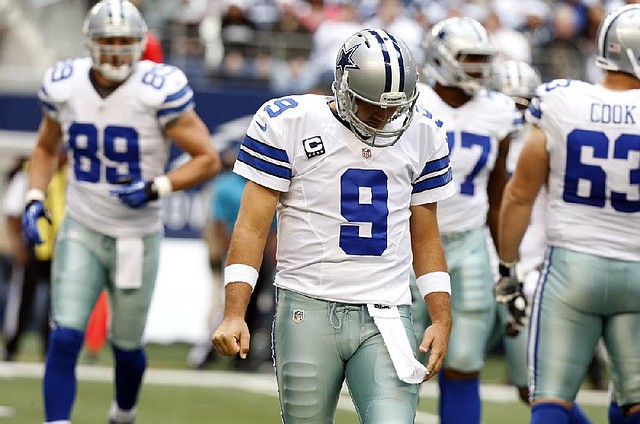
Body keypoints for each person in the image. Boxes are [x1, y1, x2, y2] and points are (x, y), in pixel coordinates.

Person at [212, 28, 455, 423]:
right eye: (370, 104)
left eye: (393, 106)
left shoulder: (424, 133)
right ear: (342, 86)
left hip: (387, 310)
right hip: (307, 306)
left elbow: (426, 234)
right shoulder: (289, 122)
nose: (383, 115)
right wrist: (234, 312)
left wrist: (441, 317)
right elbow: (252, 227)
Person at [21, 1, 220, 423]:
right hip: (82, 224)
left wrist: (156, 187)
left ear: (140, 44)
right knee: (66, 335)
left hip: (136, 234)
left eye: (125, 42)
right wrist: (34, 198)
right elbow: (44, 147)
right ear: (90, 44)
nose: (115, 51)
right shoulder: (65, 83)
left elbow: (207, 158)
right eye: (107, 42)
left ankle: (123, 415)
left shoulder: (157, 87)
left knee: (127, 347)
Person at [495, 5, 640, 424]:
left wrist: (508, 266)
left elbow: (519, 195)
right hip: (637, 267)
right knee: (634, 401)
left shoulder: (561, 100)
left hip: (571, 269)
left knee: (551, 400)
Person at [410, 16, 516, 424]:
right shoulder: (410, 101)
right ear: (441, 58)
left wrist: (506, 261)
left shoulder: (499, 110)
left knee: (466, 359)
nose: (478, 68)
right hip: (410, 242)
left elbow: (498, 193)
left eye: (482, 59)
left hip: (469, 243)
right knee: (398, 359)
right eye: (468, 59)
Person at [488, 60, 593, 423]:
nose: (516, 114)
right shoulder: (474, 137)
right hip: (477, 258)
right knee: (458, 365)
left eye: (522, 104)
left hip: (527, 268)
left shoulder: (546, 141)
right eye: (508, 104)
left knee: (533, 386)